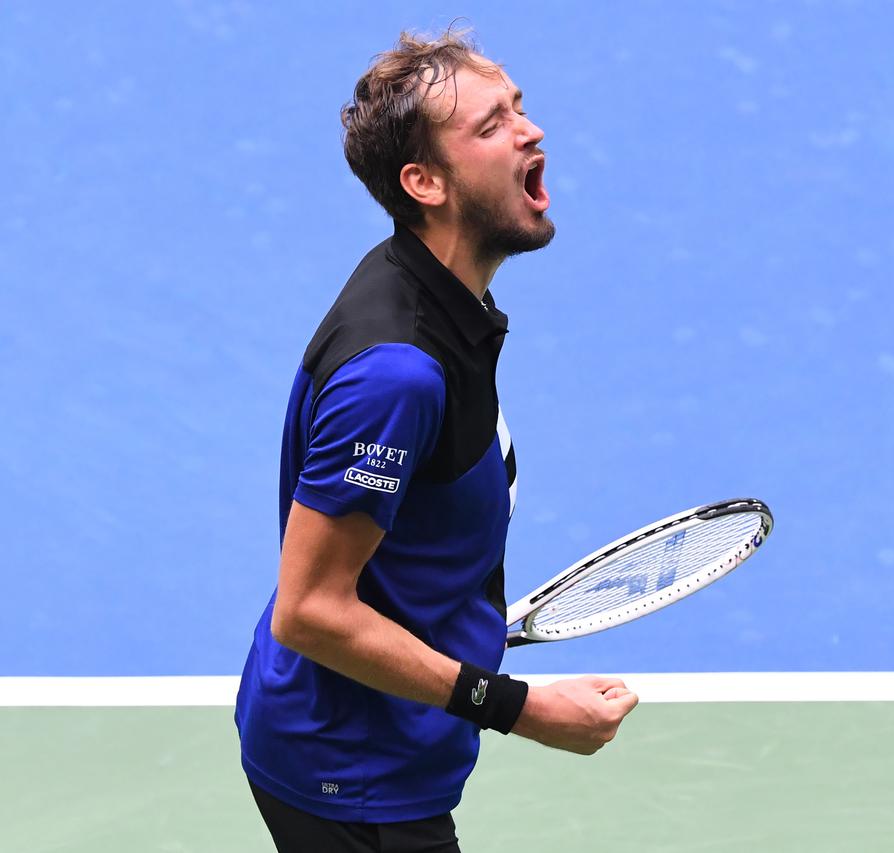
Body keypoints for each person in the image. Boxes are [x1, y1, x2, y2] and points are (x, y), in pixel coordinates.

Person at [234, 28, 639, 853]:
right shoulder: (398, 373)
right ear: (424, 182)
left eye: (518, 108)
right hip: (352, 777)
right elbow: (310, 610)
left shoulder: (439, 293)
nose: (530, 131)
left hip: (373, 746)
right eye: (492, 125)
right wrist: (521, 708)